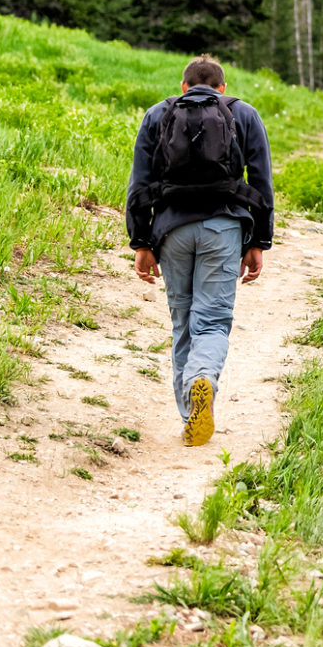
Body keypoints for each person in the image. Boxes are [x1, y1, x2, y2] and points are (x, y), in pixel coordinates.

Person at [126, 55, 273, 446]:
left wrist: (140, 241)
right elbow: (261, 180)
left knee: (183, 323)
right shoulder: (243, 115)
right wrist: (259, 240)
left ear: (183, 87)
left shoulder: (159, 114)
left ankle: (191, 413)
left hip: (171, 230)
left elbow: (139, 182)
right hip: (223, 228)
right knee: (212, 321)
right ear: (222, 89)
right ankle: (203, 379)